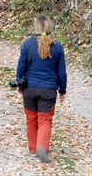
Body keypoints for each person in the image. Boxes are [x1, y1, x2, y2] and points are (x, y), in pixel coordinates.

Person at [15, 15, 67, 163]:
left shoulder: (28, 44)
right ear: (50, 27)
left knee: (31, 119)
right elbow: (61, 72)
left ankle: (32, 149)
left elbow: (21, 65)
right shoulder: (57, 47)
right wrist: (62, 90)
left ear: (36, 28)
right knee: (45, 120)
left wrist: (19, 83)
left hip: (30, 88)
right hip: (48, 90)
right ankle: (42, 148)